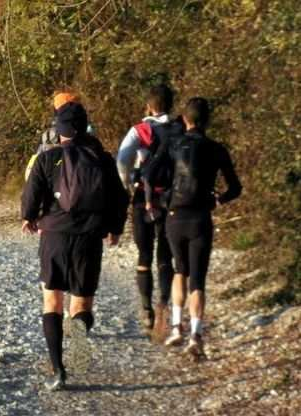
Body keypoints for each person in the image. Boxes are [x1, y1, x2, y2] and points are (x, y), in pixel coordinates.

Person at [22, 102, 129, 390]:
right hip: (89, 237)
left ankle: (58, 370)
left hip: (54, 235)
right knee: (81, 302)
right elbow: (120, 198)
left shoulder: (48, 158)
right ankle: (79, 346)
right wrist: (115, 229)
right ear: (85, 126)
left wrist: (29, 218)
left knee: (52, 301)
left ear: (59, 130)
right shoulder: (103, 160)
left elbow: (31, 194)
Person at [143, 97, 242, 355]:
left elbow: (150, 174)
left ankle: (176, 327)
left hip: (175, 216)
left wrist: (154, 200)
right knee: (197, 279)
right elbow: (236, 187)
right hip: (201, 218)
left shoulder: (172, 143)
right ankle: (196, 335)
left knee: (179, 270)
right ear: (207, 121)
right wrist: (219, 198)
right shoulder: (217, 149)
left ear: (185, 119)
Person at [116, 85, 184, 332]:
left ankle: (146, 309)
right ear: (171, 105)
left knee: (144, 255)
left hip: (143, 200)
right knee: (166, 256)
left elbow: (122, 160)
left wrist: (127, 185)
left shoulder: (139, 130)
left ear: (148, 106)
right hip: (172, 200)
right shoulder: (180, 129)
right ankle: (164, 304)